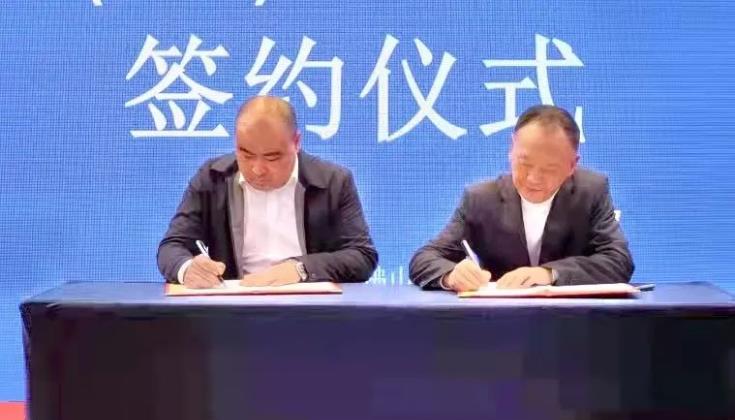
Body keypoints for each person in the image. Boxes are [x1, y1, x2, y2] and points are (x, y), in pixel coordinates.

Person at [158, 96, 378, 288]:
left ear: (296, 143)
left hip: (311, 309)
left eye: (272, 158)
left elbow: (362, 256)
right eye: (246, 154)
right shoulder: (212, 179)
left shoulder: (333, 182)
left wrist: (301, 269)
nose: (258, 169)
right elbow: (172, 246)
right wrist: (187, 268)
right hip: (233, 311)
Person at [409, 104, 633, 291]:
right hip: (500, 321)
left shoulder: (591, 191)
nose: (533, 178)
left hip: (572, 322)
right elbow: (424, 258)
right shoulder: (481, 199)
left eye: (549, 169)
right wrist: (451, 276)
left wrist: (549, 274)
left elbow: (618, 261)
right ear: (511, 149)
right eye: (524, 163)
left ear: (572, 165)